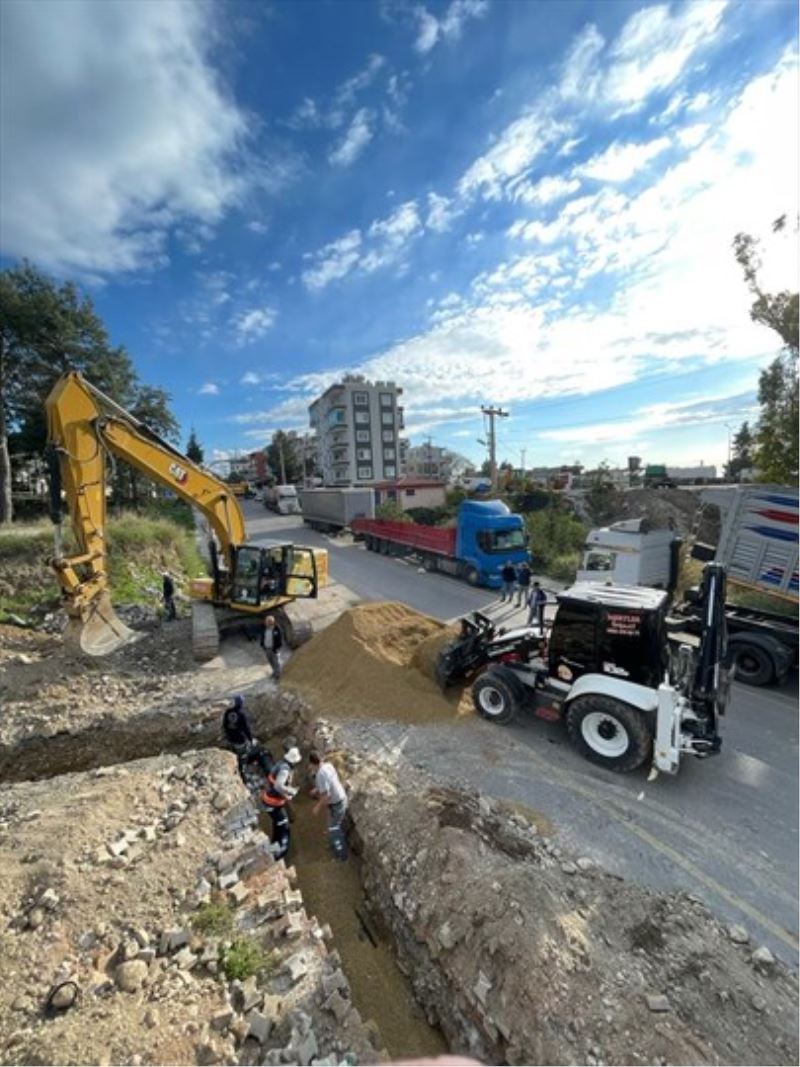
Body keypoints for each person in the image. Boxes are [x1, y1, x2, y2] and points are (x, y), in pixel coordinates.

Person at [260, 745, 301, 859]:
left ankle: (274, 841)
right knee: (283, 825)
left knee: (277, 823)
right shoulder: (284, 770)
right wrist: (290, 791)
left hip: (269, 799)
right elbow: (278, 786)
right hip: (272, 802)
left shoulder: (280, 763)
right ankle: (277, 854)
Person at [309, 751, 348, 860]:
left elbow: (326, 797)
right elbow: (329, 782)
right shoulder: (328, 765)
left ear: (312, 764)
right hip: (339, 799)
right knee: (332, 826)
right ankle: (333, 844)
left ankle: (342, 856)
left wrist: (317, 807)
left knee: (334, 829)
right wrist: (317, 790)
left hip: (337, 804)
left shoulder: (320, 775)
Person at [222, 694, 253, 775]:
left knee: (233, 753)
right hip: (240, 740)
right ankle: (242, 771)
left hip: (230, 739)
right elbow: (246, 728)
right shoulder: (242, 714)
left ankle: (234, 767)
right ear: (242, 703)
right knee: (242, 756)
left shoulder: (228, 712)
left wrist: (227, 735)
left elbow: (224, 725)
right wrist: (250, 739)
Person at [261, 615, 283, 681]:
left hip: (274, 649)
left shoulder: (277, 629)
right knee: (271, 662)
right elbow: (263, 637)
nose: (265, 622)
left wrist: (276, 648)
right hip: (267, 649)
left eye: (267, 621)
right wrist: (262, 645)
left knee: (276, 662)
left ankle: (278, 676)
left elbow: (280, 640)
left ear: (271, 622)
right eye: (266, 621)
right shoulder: (265, 629)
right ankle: (274, 672)